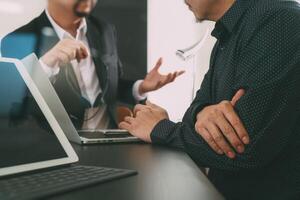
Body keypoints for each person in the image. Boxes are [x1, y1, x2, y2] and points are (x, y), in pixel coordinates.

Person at [119, 0, 300, 199]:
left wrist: (160, 128)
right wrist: (202, 112)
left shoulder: (279, 21)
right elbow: (193, 111)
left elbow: (243, 149)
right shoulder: (227, 33)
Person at [1, 0, 184, 129]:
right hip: (57, 153)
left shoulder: (104, 30)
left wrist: (141, 87)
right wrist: (45, 66)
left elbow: (112, 87)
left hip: (111, 144)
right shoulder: (18, 40)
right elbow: (15, 113)